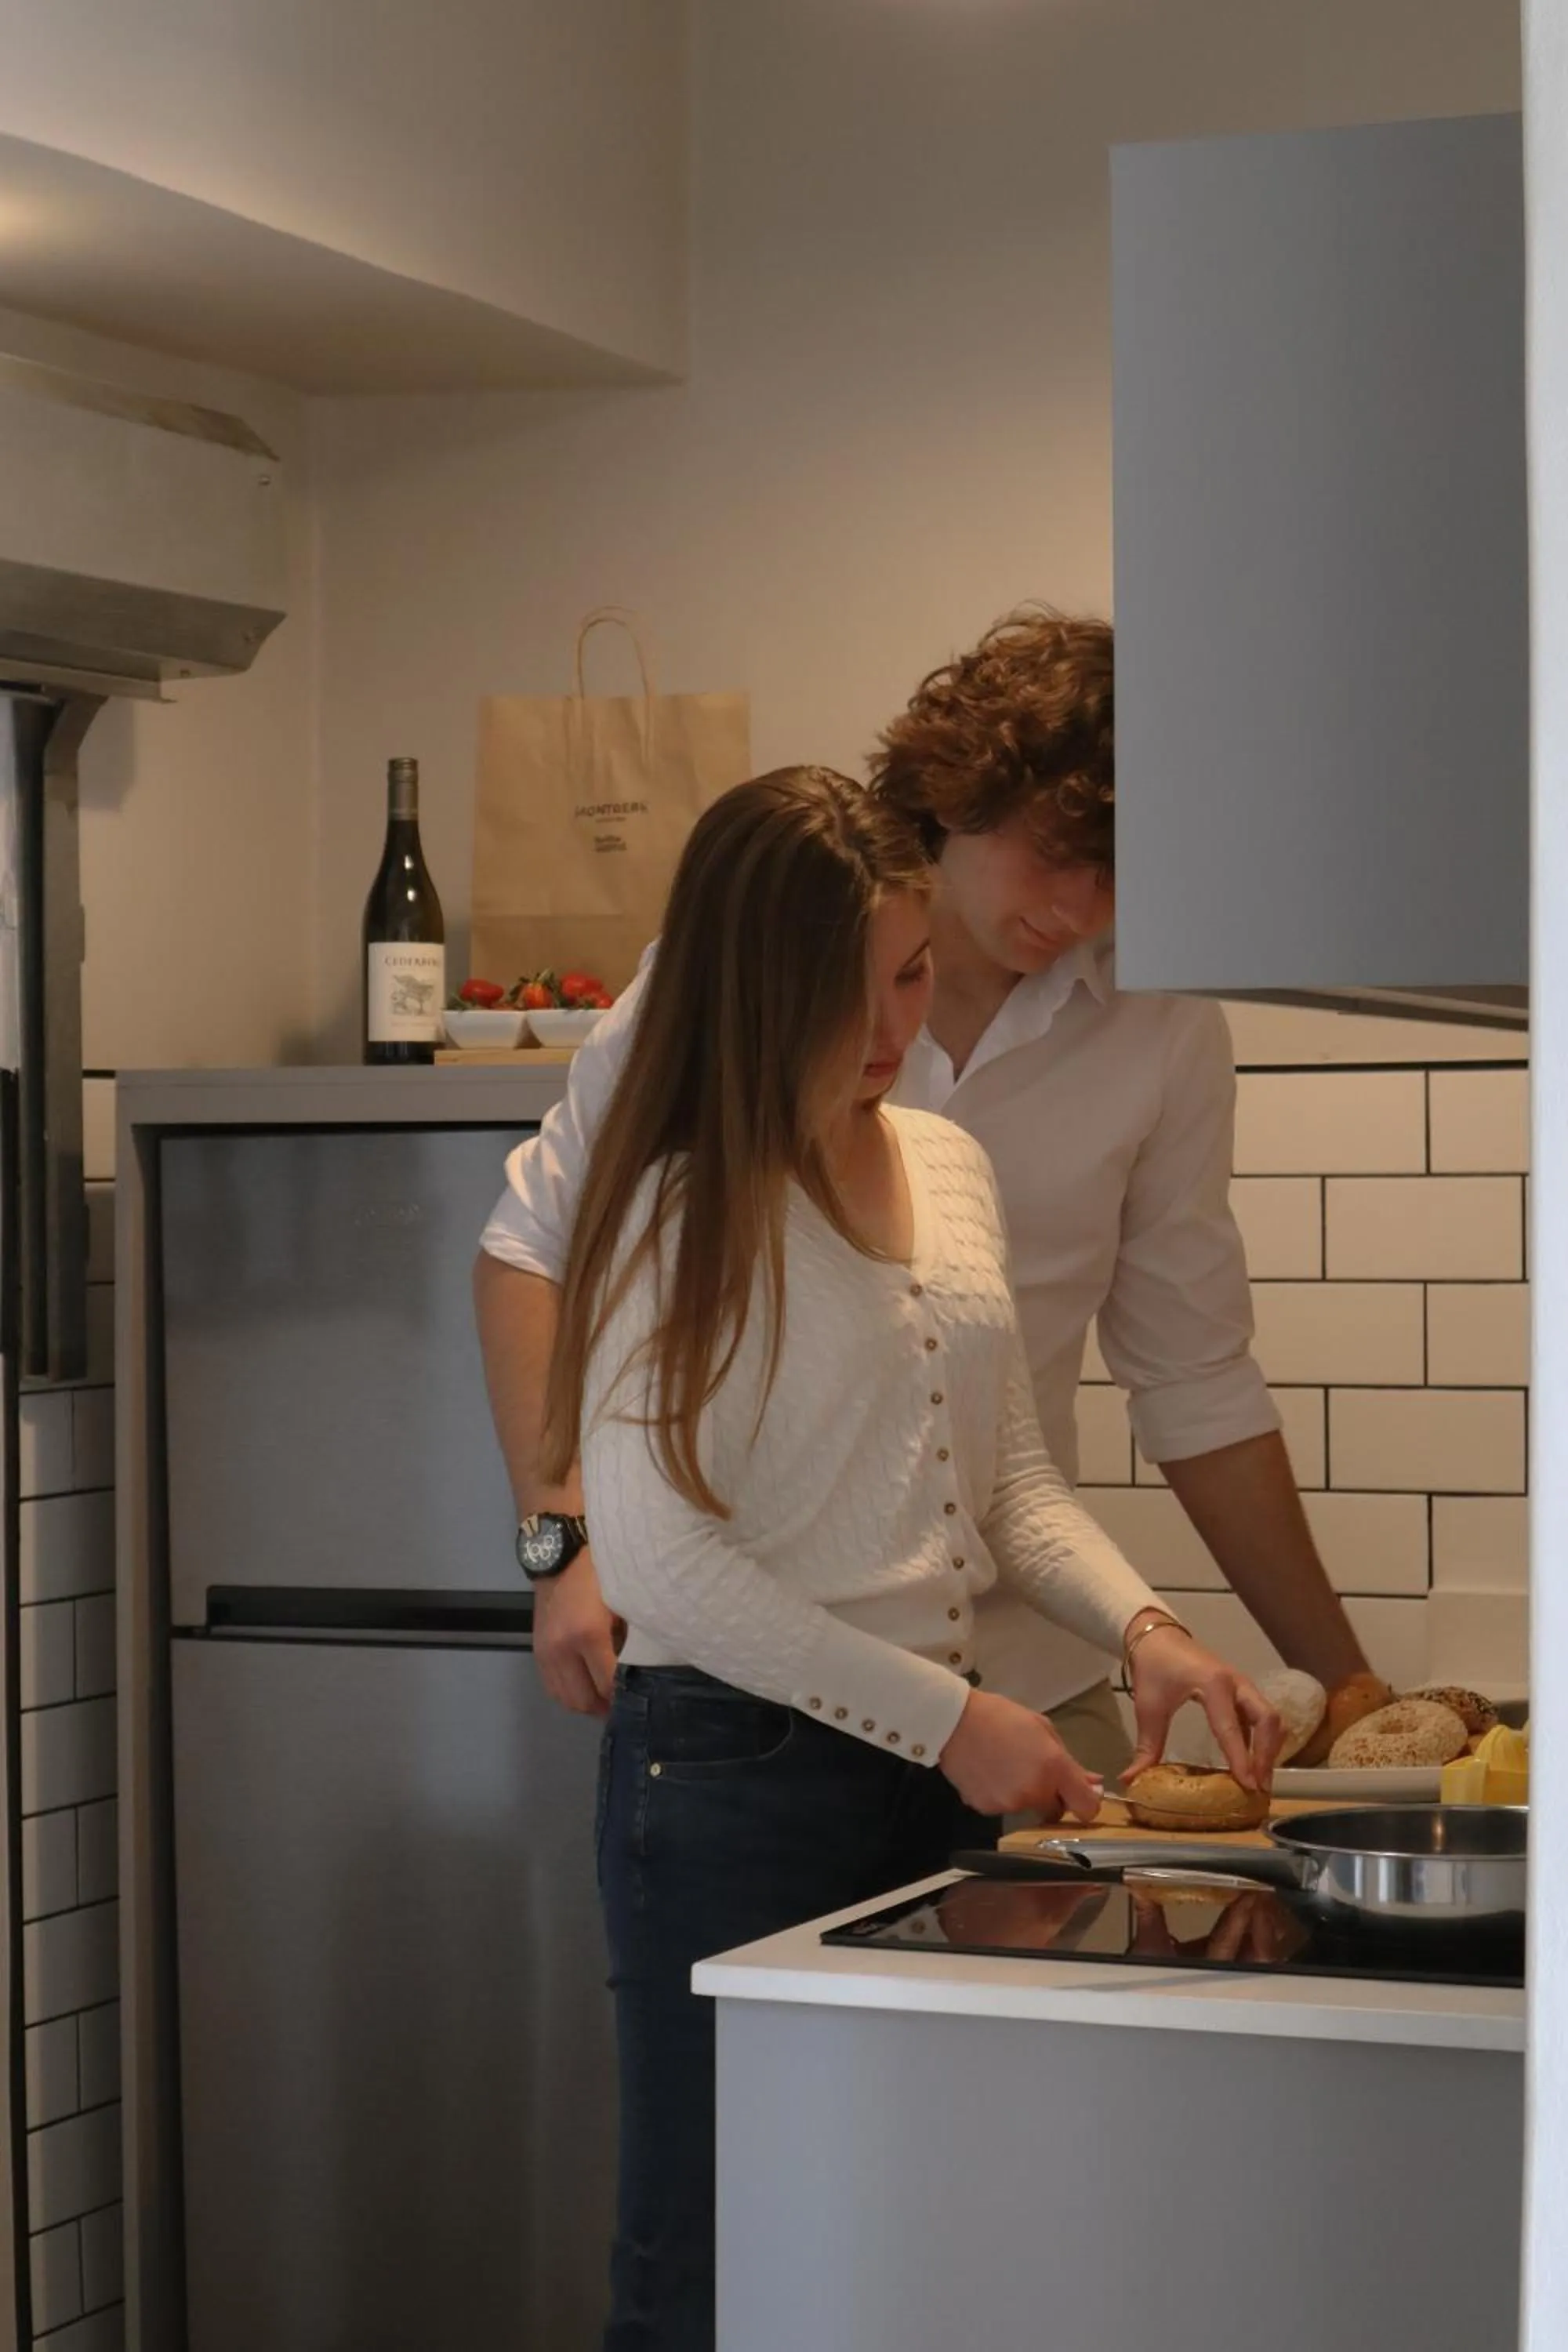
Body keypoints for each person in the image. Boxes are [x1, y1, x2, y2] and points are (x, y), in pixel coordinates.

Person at [487, 766, 1278, 2352]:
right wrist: (959, 1722)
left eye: (910, 974)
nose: (888, 1027)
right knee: (710, 2268)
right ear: (741, 981)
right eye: (840, 991)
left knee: (918, 2257)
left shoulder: (948, 1166)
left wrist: (1146, 1633)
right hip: (730, 1786)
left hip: (933, 1780)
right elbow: (668, 1566)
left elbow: (1008, 1482)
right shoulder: (673, 1201)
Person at [476, 610, 1373, 1780]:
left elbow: (1190, 1382)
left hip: (1032, 1673)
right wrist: (566, 1546)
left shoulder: (1160, 1033)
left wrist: (1349, 1698)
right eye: (1061, 855)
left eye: (1125, 876)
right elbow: (534, 1252)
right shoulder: (730, 988)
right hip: (762, 1695)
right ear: (955, 796)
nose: (1086, 910)